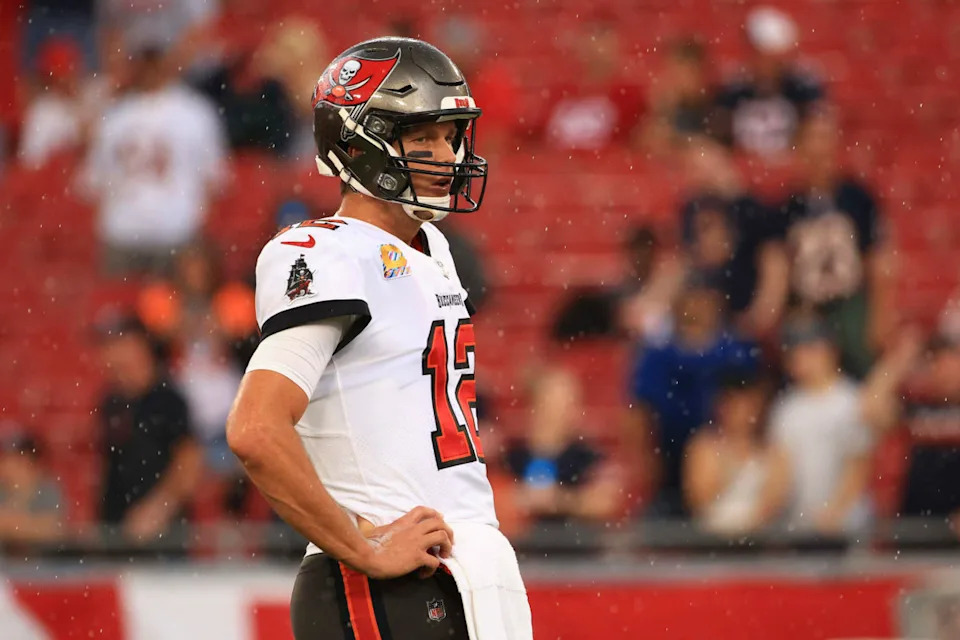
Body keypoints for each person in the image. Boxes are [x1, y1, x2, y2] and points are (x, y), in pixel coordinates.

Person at [226, 38, 531, 639]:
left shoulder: (433, 248)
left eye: (450, 135)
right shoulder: (329, 251)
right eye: (423, 138)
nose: (447, 153)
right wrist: (360, 545)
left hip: (461, 569)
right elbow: (256, 429)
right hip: (387, 583)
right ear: (357, 142)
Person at [81, 42, 227, 275]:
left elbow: (215, 180)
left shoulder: (196, 112)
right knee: (116, 305)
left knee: (168, 308)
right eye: (145, 62)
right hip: (125, 233)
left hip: (176, 231)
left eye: (154, 62)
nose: (150, 69)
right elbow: (94, 181)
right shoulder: (114, 115)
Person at [766, 315, 912, 536]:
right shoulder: (786, 407)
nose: (802, 358)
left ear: (829, 350)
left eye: (809, 349)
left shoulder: (854, 400)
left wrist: (834, 513)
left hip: (851, 525)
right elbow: (780, 470)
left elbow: (860, 464)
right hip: (802, 526)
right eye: (796, 351)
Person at [625, 277, 758, 517]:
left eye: (705, 300)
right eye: (693, 300)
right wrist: (645, 461)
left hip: (724, 461)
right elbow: (639, 411)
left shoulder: (736, 350)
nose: (698, 307)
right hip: (667, 463)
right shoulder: (657, 354)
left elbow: (752, 402)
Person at [782, 109, 895, 378]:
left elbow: (879, 259)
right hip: (809, 306)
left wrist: (880, 315)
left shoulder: (857, 197)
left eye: (825, 138)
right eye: (813, 138)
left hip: (851, 301)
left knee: (862, 367)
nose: (820, 147)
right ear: (799, 147)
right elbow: (784, 265)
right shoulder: (789, 206)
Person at [96, 315, 203, 546]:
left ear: (139, 347)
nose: (110, 354)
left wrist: (158, 509)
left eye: (117, 344)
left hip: (164, 536)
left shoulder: (168, 400)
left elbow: (189, 462)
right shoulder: (111, 401)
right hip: (117, 531)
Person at [502, 369, 621, 527]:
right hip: (520, 547)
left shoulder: (588, 457)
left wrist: (559, 500)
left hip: (576, 547)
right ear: (536, 404)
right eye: (555, 401)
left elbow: (606, 502)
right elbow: (493, 499)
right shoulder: (511, 456)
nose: (565, 410)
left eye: (570, 402)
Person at [684, 371, 788, 535]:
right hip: (711, 539)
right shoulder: (703, 446)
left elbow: (775, 500)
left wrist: (748, 527)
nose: (743, 413)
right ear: (722, 407)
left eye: (750, 406)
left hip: (759, 538)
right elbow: (700, 498)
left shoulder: (773, 450)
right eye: (736, 406)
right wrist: (730, 462)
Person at [713, 6, 824, 158]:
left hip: (794, 171)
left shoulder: (801, 88)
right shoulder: (733, 89)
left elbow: (818, 128)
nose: (766, 64)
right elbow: (719, 134)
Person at [0, 427, 63, 554]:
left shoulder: (47, 490)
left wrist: (13, 526)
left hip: (42, 565)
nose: (5, 465)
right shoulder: (2, 490)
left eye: (14, 460)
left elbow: (53, 531)